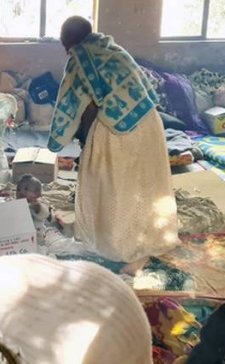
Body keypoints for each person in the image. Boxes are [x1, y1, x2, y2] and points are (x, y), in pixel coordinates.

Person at [48, 16, 179, 272]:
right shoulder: (114, 50)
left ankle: (116, 245)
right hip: (149, 122)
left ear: (68, 41)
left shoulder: (80, 60)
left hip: (117, 131)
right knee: (144, 183)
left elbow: (72, 106)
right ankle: (151, 238)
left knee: (111, 186)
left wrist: (68, 140)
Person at [16, 174, 51, 244]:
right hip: (20, 236)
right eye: (18, 189)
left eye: (26, 189)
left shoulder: (40, 203)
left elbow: (44, 214)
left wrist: (37, 206)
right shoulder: (17, 203)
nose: (21, 192)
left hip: (36, 237)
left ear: (36, 194)